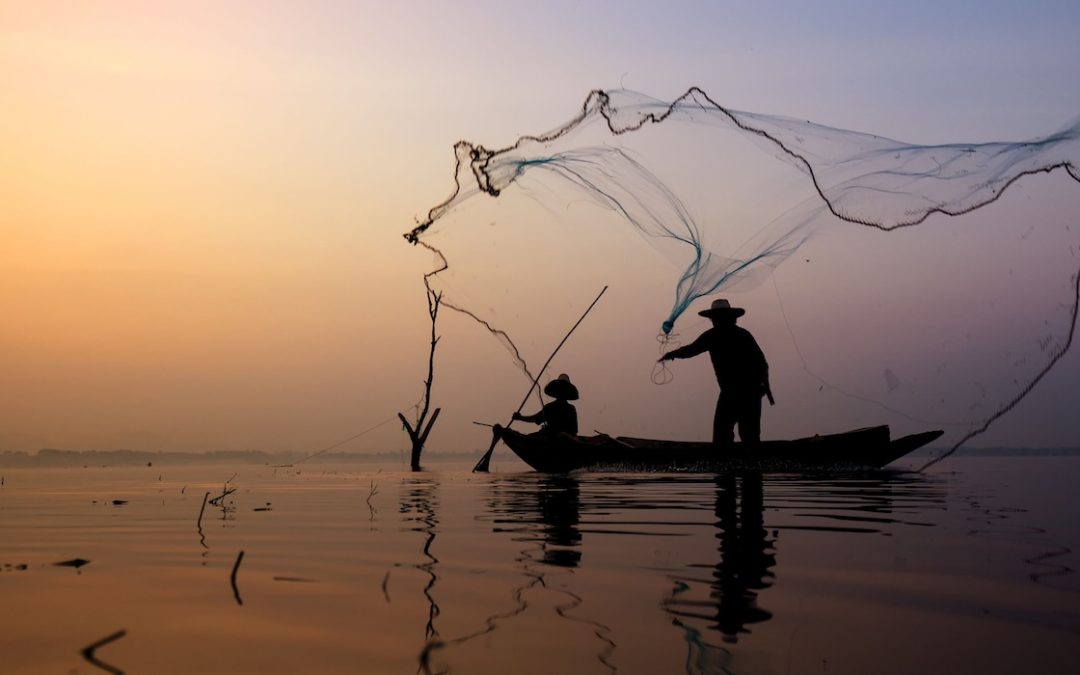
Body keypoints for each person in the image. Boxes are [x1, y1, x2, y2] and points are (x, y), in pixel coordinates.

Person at [659, 299, 772, 446]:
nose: (714, 321)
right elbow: (762, 363)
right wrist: (765, 386)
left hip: (740, 391)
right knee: (745, 435)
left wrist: (671, 354)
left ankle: (730, 464)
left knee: (725, 433)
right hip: (747, 391)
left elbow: (761, 363)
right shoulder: (737, 334)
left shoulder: (716, 335)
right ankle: (747, 464)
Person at [512, 374, 580, 436]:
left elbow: (573, 431)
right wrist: (520, 418)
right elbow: (536, 418)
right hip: (551, 438)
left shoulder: (568, 408)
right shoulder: (550, 407)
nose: (561, 392)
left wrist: (520, 418)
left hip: (559, 439)